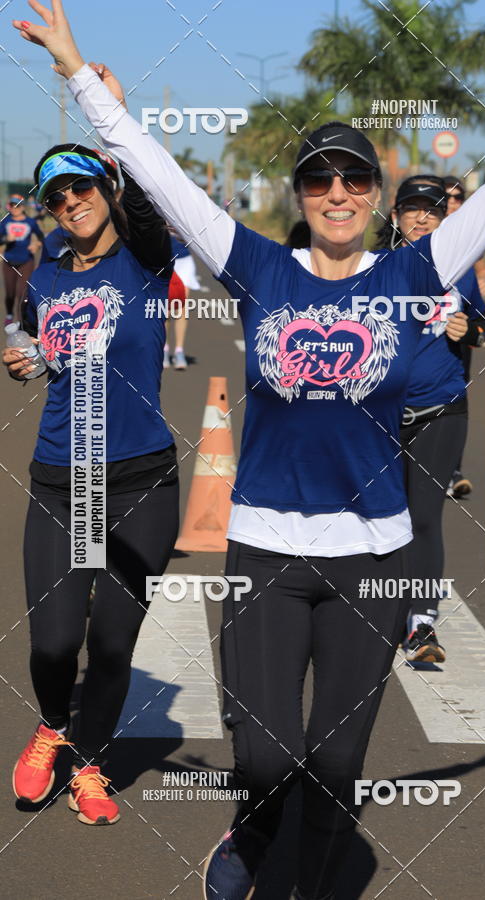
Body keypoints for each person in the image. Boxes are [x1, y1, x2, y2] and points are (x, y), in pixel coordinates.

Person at [19, 2, 485, 892]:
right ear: (299, 195)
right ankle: (250, 832)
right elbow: (159, 174)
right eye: (319, 179)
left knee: (334, 770)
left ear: (374, 194)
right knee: (264, 756)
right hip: (265, 552)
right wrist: (76, 72)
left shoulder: (414, 271)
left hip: (372, 558)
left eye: (354, 179)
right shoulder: (260, 268)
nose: (337, 193)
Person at [2, 136, 179, 826]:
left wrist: (112, 132)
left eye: (81, 186)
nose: (70, 201)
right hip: (64, 481)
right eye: (56, 196)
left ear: (106, 188)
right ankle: (53, 725)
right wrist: (29, 359)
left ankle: (90, 764)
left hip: (141, 484)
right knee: (53, 642)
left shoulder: (145, 260)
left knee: (110, 642)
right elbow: (43, 348)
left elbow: (150, 205)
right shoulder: (45, 279)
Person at [374, 175, 485, 663]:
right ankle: (373, 613)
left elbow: (482, 328)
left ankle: (421, 623)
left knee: (423, 518)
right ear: (395, 216)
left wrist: (469, 329)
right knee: (378, 518)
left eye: (434, 211)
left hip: (440, 410)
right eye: (413, 210)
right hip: (377, 415)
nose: (422, 218)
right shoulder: (371, 267)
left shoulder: (458, 269)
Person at [443, 175, 485, 499]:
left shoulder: (467, 239)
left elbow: (481, 270)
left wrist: (483, 282)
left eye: (458, 197)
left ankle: (452, 470)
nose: (451, 203)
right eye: (444, 197)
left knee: (455, 397)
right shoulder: (407, 241)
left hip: (456, 337)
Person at [0, 193, 43, 325]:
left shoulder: (30, 222)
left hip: (26, 261)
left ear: (23, 207)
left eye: (17, 205)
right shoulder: (5, 222)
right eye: (12, 205)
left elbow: (41, 237)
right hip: (9, 262)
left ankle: (21, 321)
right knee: (10, 293)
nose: (15, 208)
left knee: (22, 294)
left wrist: (36, 245)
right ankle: (9, 314)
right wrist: (6, 239)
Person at [163, 230, 194, 369]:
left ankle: (179, 351)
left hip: (183, 260)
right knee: (166, 309)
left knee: (182, 307)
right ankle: (164, 349)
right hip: (163, 260)